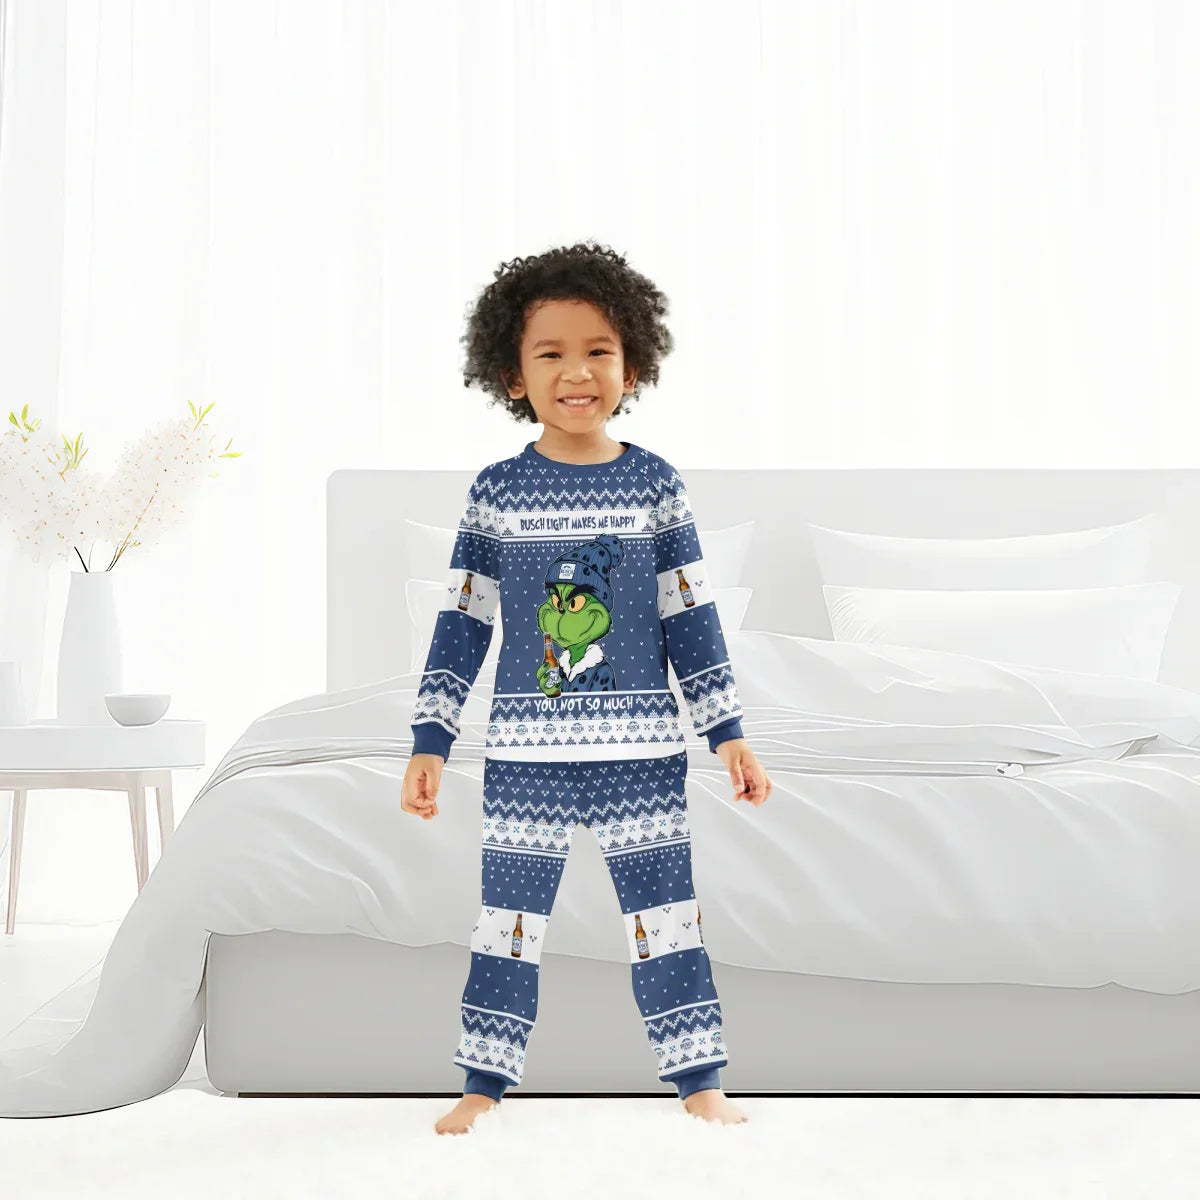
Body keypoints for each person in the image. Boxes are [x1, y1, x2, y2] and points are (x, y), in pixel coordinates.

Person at [400, 241, 772, 1136]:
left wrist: (727, 731)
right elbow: (464, 621)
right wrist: (430, 739)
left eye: (598, 351)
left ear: (633, 364)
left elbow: (691, 617)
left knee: (667, 919)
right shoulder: (497, 492)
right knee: (508, 923)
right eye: (551, 354)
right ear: (512, 375)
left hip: (642, 754)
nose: (577, 372)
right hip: (526, 760)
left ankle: (701, 1082)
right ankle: (483, 1083)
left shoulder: (655, 486)